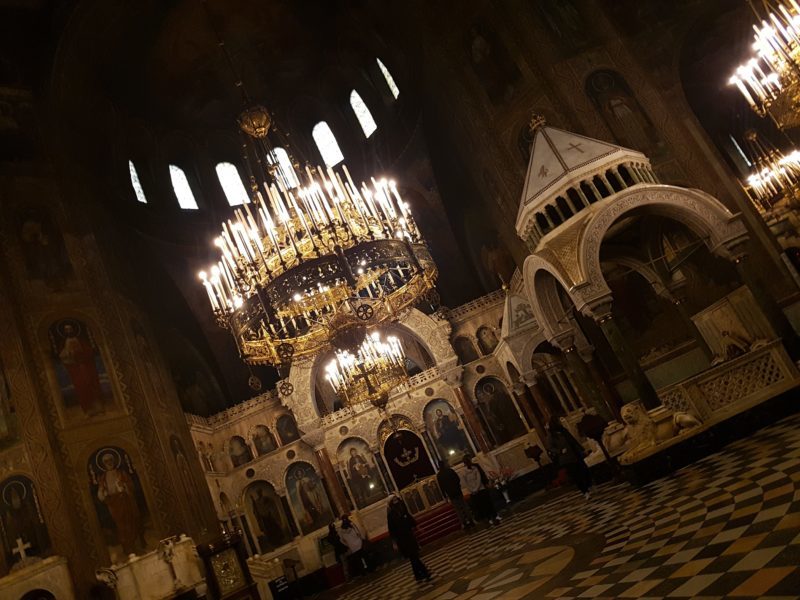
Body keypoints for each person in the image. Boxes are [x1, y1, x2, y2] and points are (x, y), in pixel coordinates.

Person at [96, 452, 143, 554]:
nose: (109, 463)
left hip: (125, 500)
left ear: (114, 461)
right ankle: (126, 547)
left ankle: (135, 545)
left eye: (111, 460)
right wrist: (103, 494)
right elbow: (101, 492)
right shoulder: (103, 477)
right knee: (120, 525)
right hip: (114, 504)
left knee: (130, 522)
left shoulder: (121, 473)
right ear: (104, 463)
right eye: (107, 461)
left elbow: (131, 486)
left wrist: (124, 487)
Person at [386, 495, 431, 583]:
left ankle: (418, 575)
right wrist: (394, 542)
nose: (395, 500)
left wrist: (417, 527)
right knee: (413, 556)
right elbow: (391, 529)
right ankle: (425, 572)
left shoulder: (402, 508)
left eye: (396, 499)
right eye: (393, 499)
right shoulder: (391, 514)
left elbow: (409, 518)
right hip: (401, 539)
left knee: (413, 556)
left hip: (409, 535)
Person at [546, 418, 592, 499]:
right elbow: (551, 448)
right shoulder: (551, 436)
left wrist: (581, 449)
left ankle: (588, 486)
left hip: (575, 454)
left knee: (584, 470)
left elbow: (572, 440)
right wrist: (560, 451)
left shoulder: (564, 431)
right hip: (566, 458)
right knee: (576, 475)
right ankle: (584, 491)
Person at [462, 455, 501, 526]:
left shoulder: (474, 468)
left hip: (477, 490)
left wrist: (473, 489)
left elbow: (478, 478)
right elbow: (467, 482)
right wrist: (474, 489)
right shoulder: (465, 472)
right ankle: (491, 517)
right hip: (478, 490)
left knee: (485, 504)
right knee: (485, 504)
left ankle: (491, 518)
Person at [435, 459, 474, 529]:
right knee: (464, 505)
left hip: (451, 494)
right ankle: (471, 520)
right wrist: (457, 486)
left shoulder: (439, 475)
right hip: (457, 491)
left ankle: (464, 523)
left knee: (457, 509)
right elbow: (457, 479)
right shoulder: (450, 471)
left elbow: (441, 486)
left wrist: (445, 495)